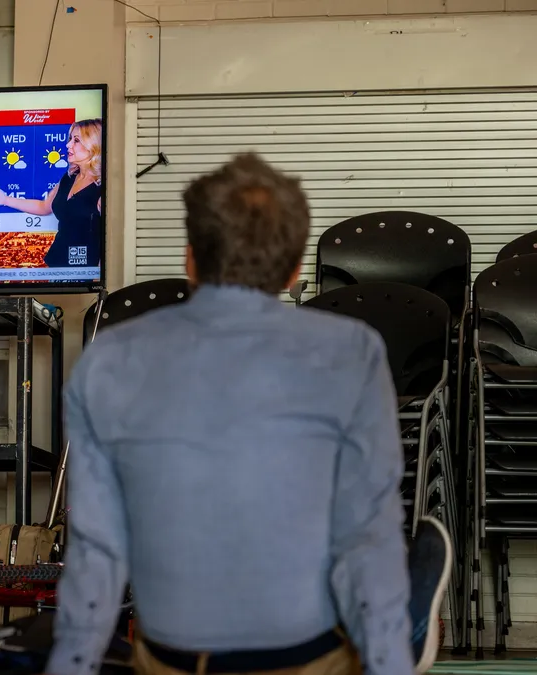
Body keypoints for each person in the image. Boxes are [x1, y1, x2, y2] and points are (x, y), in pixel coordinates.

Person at [45, 154, 451, 675]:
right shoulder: (351, 352)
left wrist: (70, 666)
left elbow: (96, 553)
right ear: (294, 269)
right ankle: (408, 633)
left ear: (190, 259)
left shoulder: (109, 359)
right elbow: (364, 539)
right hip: (306, 659)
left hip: (170, 659)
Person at [0, 119, 103, 269]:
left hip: (86, 271)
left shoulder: (103, 188)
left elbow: (108, 240)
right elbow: (44, 206)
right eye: (70, 139)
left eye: (76, 141)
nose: (68, 145)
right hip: (57, 263)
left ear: (93, 145)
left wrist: (98, 276)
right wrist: (5, 200)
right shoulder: (69, 178)